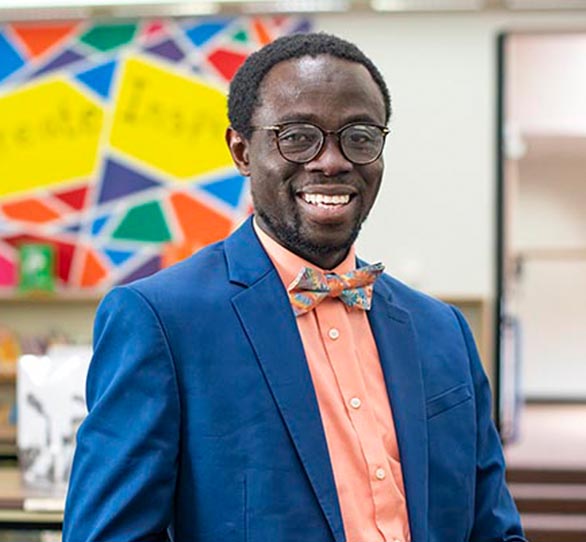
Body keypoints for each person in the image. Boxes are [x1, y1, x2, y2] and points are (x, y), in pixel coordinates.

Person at [63, 32, 527, 542]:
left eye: (359, 136)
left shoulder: (443, 331)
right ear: (242, 150)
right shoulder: (161, 322)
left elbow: (493, 529)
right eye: (298, 136)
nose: (332, 161)